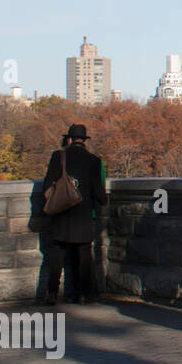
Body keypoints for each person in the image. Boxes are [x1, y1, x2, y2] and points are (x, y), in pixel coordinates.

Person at [42, 124, 107, 304]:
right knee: (84, 255)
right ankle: (84, 294)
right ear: (84, 141)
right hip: (83, 214)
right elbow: (97, 191)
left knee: (56, 255)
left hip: (61, 213)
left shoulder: (58, 157)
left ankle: (52, 292)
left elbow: (47, 185)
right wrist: (104, 201)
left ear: (69, 139)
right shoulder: (94, 161)